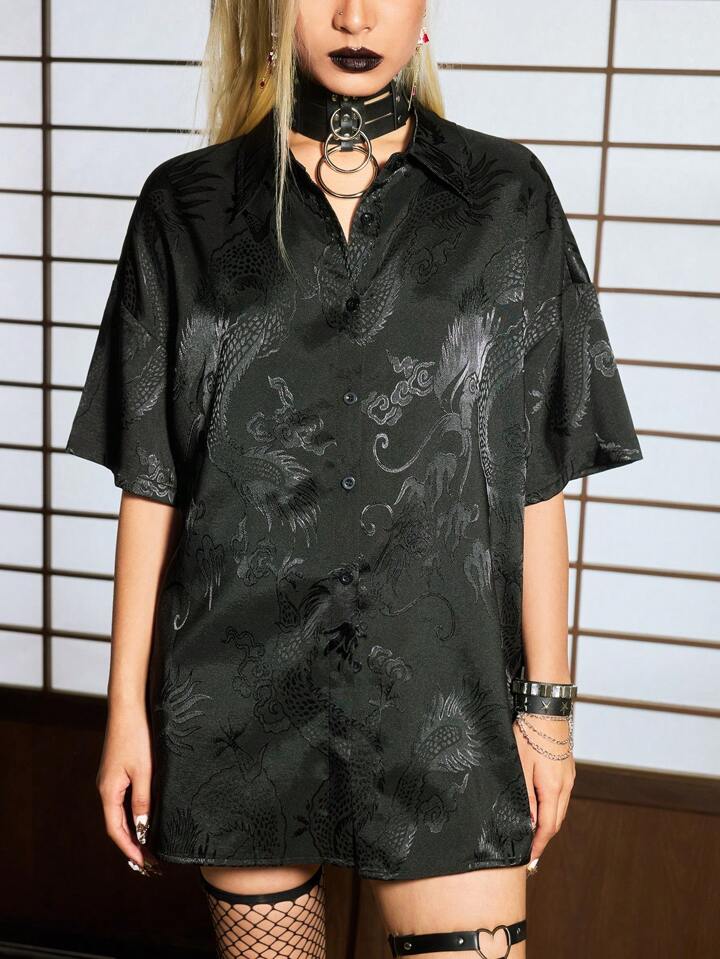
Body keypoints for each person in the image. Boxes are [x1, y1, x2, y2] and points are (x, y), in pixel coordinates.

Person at [65, 1, 644, 956]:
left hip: (446, 702)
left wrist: (548, 710)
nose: (353, 16)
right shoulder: (186, 205)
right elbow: (153, 479)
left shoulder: (506, 197)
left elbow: (536, 474)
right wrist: (126, 710)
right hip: (240, 693)